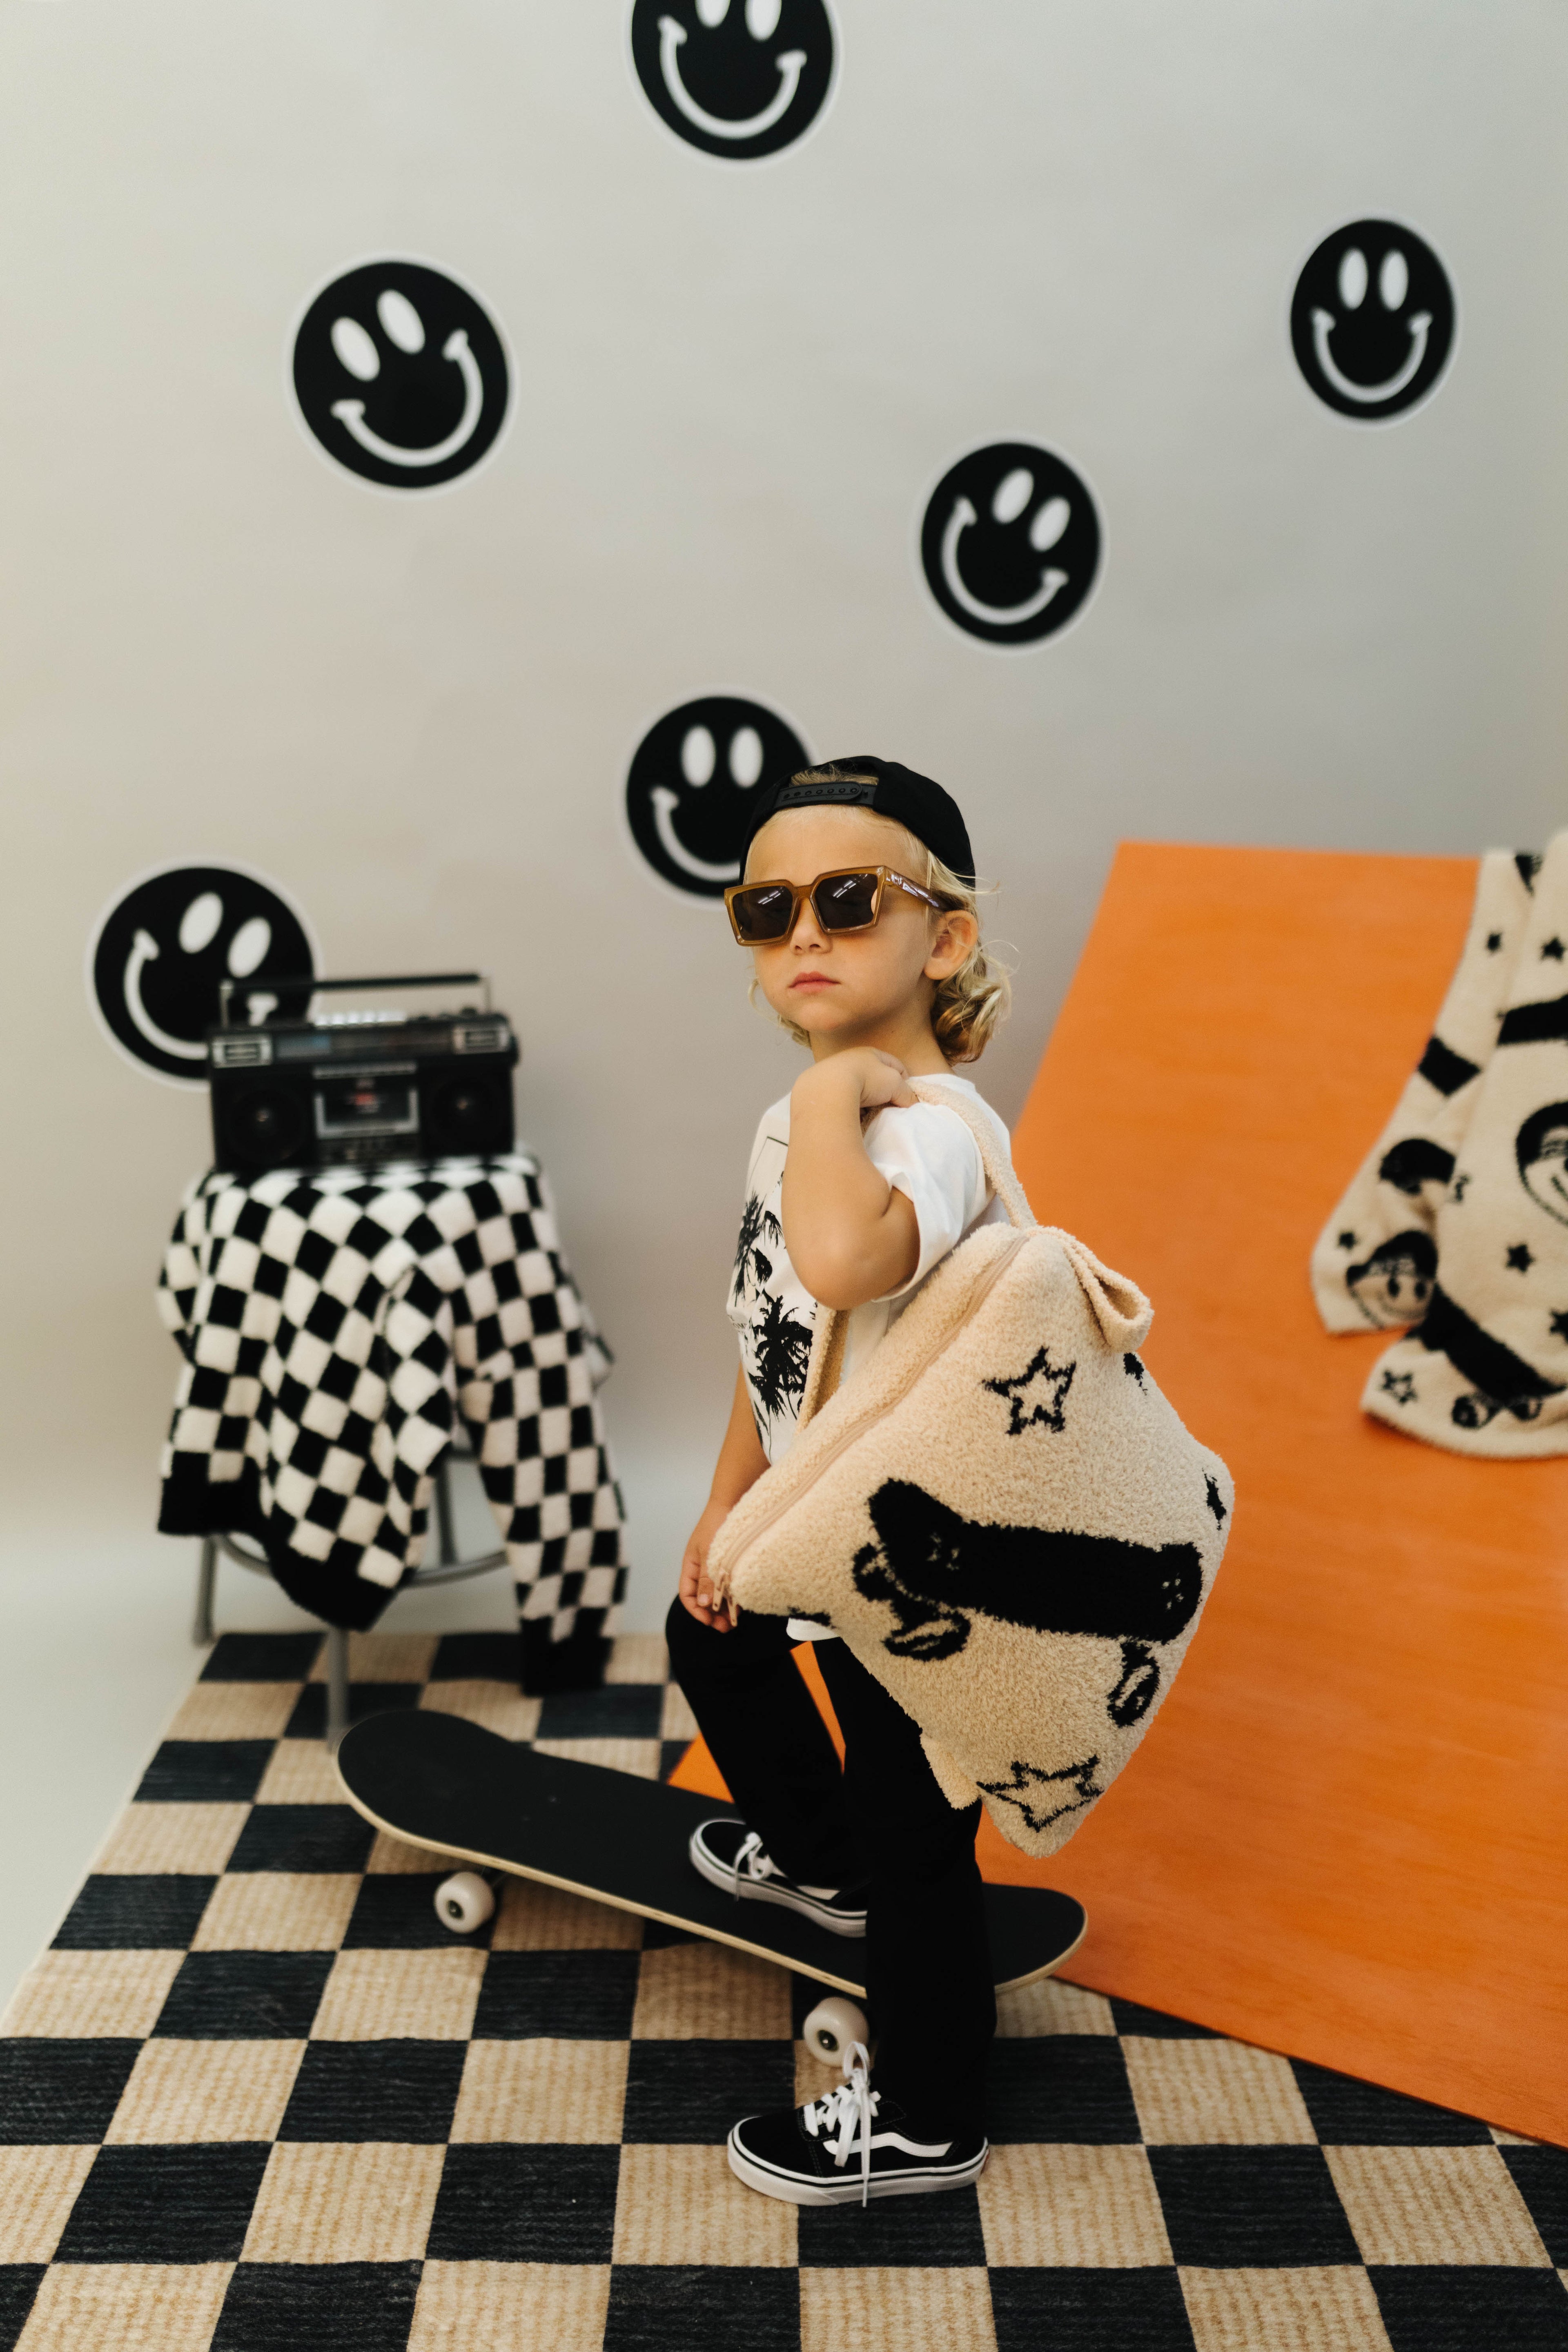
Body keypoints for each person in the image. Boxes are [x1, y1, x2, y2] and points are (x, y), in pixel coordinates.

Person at [665, 755, 1018, 2205]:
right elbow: (776, 1324)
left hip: (927, 1548)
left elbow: (848, 1260)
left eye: (849, 899)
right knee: (711, 1630)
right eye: (767, 907)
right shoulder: (799, 1116)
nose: (803, 933)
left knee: (918, 1823)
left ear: (945, 938)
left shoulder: (936, 1129)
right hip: (822, 1509)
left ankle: (930, 2119)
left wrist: (834, 1107)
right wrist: (728, 1501)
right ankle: (818, 1859)